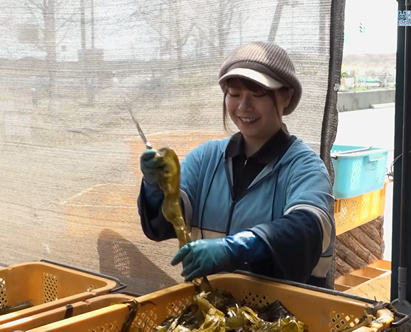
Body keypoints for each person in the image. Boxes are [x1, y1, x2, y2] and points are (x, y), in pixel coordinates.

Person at [137, 41, 336, 288]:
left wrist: (238, 247)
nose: (244, 107)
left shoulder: (305, 167)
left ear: (286, 96)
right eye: (234, 94)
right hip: (214, 313)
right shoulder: (204, 158)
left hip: (287, 315)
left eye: (258, 94)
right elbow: (163, 224)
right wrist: (155, 187)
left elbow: (307, 227)